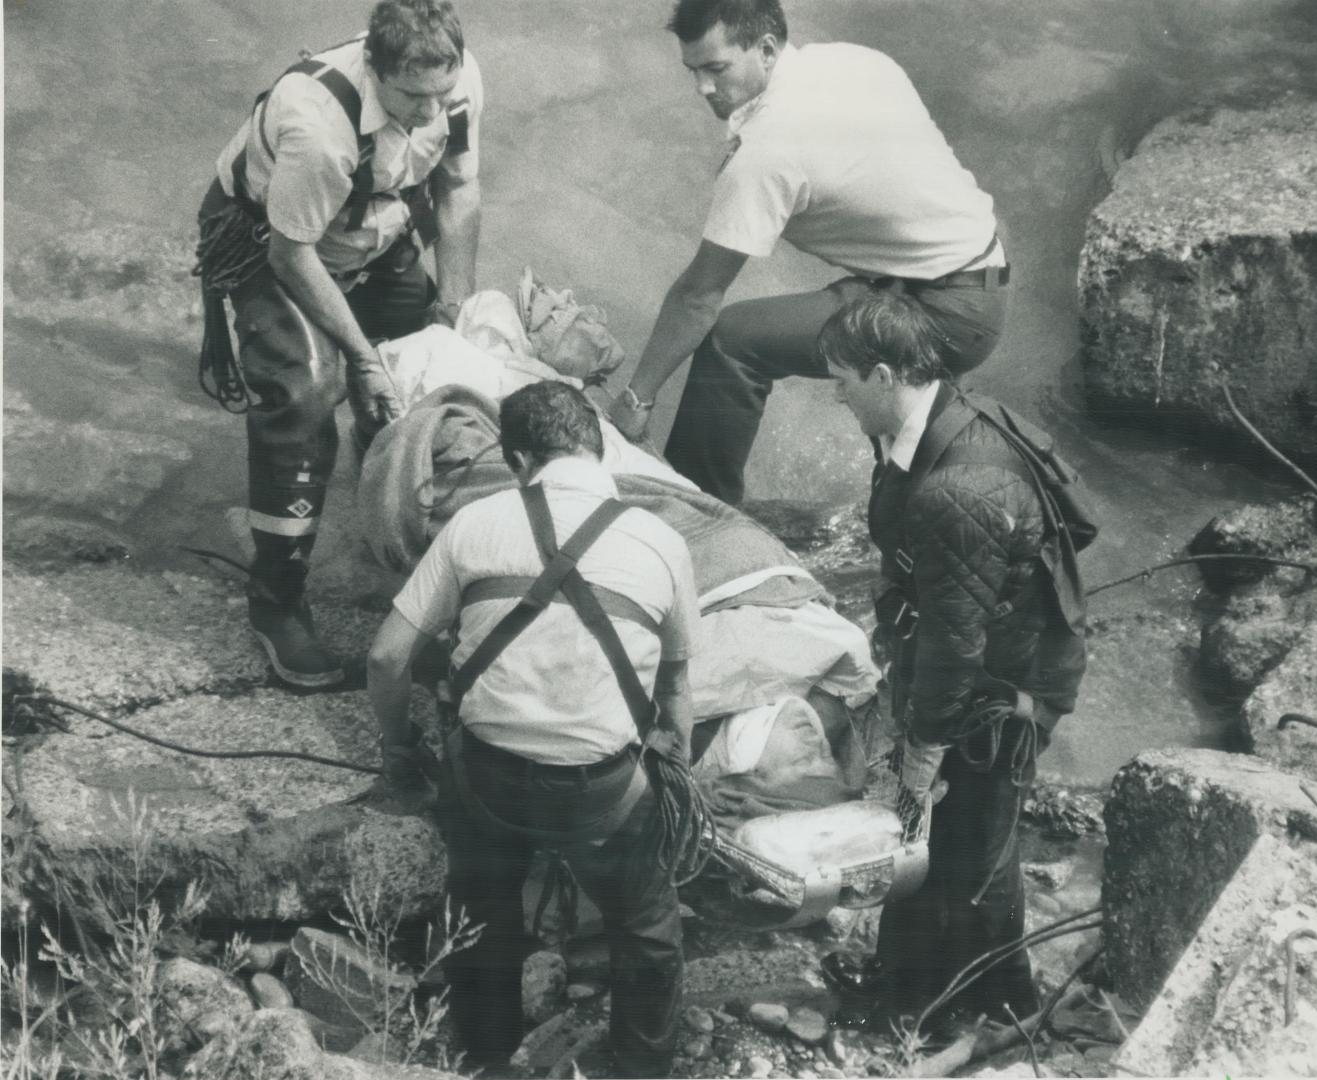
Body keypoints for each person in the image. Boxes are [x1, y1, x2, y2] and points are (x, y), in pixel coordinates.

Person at [367, 381, 699, 1077]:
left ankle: (486, 1055)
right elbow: (674, 688)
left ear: (518, 460)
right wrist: (673, 774)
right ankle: (642, 1066)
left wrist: (400, 750)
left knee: (484, 911)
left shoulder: (475, 523)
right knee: (646, 926)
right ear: (600, 449)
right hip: (603, 793)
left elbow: (388, 655)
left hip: (488, 782)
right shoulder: (663, 540)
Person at [599, 0, 1008, 506]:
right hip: (978, 274)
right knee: (896, 452)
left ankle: (698, 510)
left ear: (766, 49)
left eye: (716, 68)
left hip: (940, 311)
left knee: (732, 342)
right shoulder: (855, 61)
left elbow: (697, 297)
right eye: (693, 71)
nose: (703, 88)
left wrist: (636, 400)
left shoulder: (769, 152)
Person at [815, 293, 1087, 1033]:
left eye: (840, 381)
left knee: (970, 837)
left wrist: (922, 748)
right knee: (944, 829)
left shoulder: (958, 485)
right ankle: (915, 985)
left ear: (881, 375)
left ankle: (989, 1007)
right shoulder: (932, 424)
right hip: (989, 653)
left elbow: (956, 645)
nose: (836, 397)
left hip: (1000, 682)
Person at [194, 0, 483, 688]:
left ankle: (418, 564)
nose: (430, 110)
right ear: (374, 66)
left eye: (440, 93)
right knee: (305, 393)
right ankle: (276, 601)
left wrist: (454, 304)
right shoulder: (319, 123)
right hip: (273, 241)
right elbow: (295, 255)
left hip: (373, 227)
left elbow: (460, 186)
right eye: (413, 96)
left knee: (435, 377)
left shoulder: (456, 81)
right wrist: (361, 356)